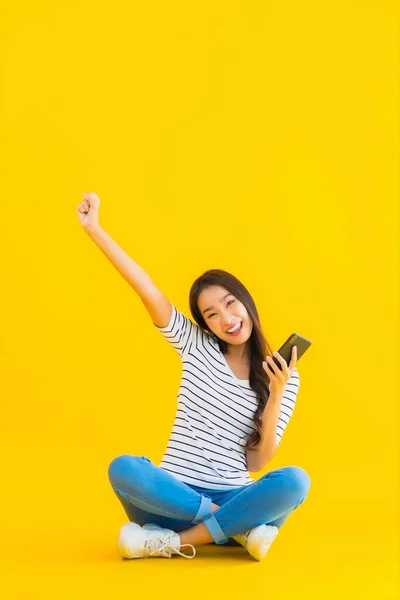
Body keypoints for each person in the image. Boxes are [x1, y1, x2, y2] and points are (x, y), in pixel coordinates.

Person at [76, 192, 311, 561]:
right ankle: (238, 529)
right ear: (205, 325)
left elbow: (256, 464)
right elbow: (145, 288)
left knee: (295, 480)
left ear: (246, 301)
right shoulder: (195, 345)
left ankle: (169, 541)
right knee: (124, 468)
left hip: (235, 492)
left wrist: (277, 392)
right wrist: (95, 230)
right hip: (171, 494)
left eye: (230, 303)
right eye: (212, 314)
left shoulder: (284, 377)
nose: (227, 319)